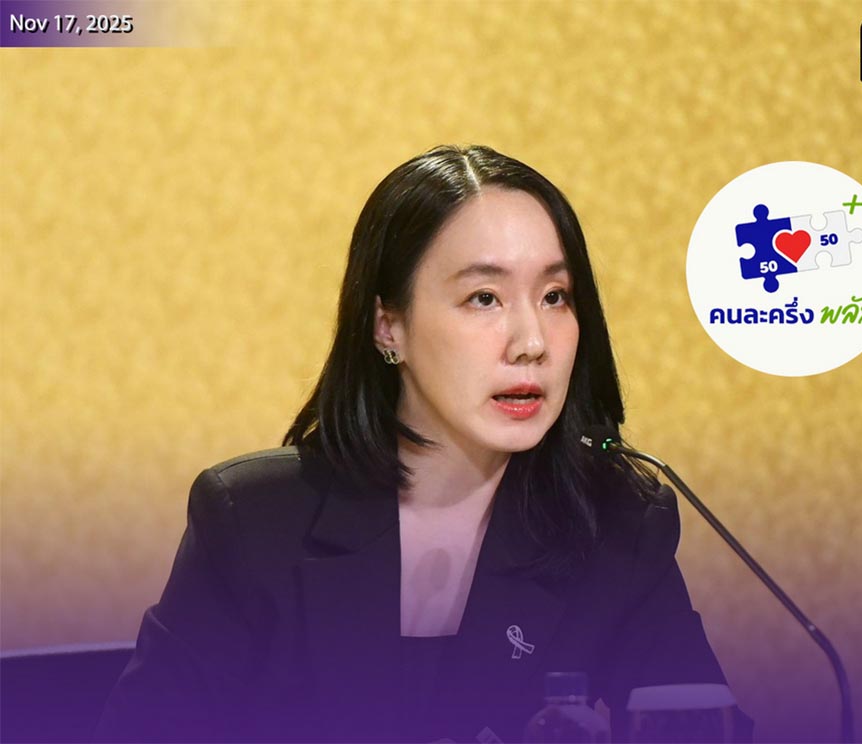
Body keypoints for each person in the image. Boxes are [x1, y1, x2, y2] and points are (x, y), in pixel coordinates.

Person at [96, 145, 736, 743]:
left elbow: (702, 727)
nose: (531, 342)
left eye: (554, 297)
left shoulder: (617, 526)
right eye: (483, 297)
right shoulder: (252, 524)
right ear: (389, 326)